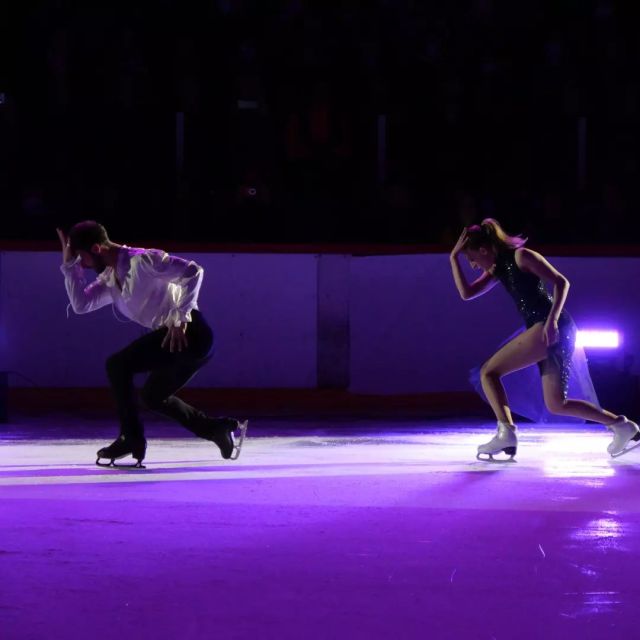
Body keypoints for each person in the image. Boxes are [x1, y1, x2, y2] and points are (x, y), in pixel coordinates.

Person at [57, 221, 247, 468]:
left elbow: (194, 271)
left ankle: (131, 439)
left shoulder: (143, 261)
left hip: (193, 334)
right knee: (152, 396)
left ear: (96, 248)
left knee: (117, 365)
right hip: (174, 340)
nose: (82, 264)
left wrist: (180, 318)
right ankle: (216, 429)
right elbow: (81, 304)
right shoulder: (109, 279)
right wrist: (69, 266)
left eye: (81, 258)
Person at [449, 218, 639, 460]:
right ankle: (623, 426)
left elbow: (562, 282)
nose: (473, 265)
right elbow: (466, 294)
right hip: (547, 328)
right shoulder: (497, 269)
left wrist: (551, 321)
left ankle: (506, 433)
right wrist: (453, 259)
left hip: (551, 325)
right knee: (557, 404)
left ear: (484, 250)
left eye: (471, 258)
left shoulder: (521, 257)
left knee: (488, 372)